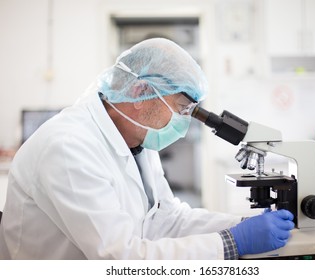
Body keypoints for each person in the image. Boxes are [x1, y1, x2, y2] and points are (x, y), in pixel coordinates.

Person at [0, 38, 294, 259]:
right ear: (141, 94)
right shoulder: (68, 147)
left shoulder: (137, 139)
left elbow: (166, 220)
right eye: (181, 109)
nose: (182, 121)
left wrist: (241, 224)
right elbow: (121, 257)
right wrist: (232, 242)